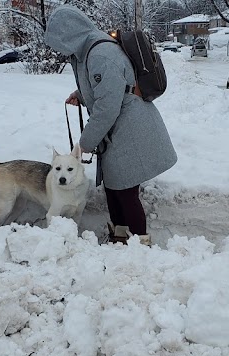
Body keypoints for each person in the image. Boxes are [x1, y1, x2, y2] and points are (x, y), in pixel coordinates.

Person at [44, 6, 178, 245]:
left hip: (130, 130)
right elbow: (108, 90)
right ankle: (119, 237)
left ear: (69, 34)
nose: (59, 49)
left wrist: (85, 142)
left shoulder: (101, 54)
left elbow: (108, 107)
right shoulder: (87, 50)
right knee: (114, 189)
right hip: (118, 129)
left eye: (59, 42)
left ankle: (139, 245)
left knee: (126, 193)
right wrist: (81, 95)